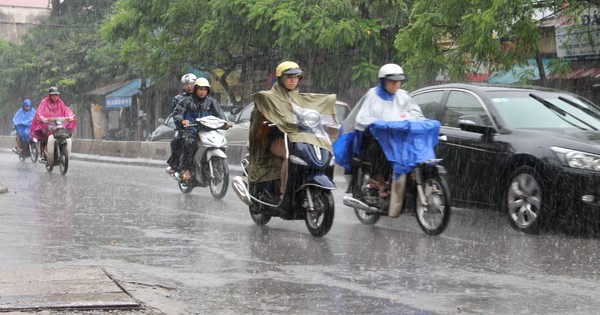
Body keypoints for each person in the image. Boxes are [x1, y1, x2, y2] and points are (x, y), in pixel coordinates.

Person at [249, 61, 337, 199]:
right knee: (288, 155)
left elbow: (315, 109)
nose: (293, 80)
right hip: (277, 139)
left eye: (296, 77)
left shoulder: (301, 99)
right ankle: (283, 191)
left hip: (299, 140)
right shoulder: (270, 98)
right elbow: (261, 112)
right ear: (281, 78)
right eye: (289, 77)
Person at [339, 63, 424, 198]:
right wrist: (377, 123)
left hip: (396, 137)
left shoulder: (403, 96)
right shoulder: (372, 95)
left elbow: (414, 112)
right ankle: (382, 184)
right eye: (392, 81)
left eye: (398, 81)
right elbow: (362, 118)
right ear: (383, 81)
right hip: (373, 137)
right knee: (380, 151)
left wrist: (418, 121)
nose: (396, 85)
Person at [173, 77, 231, 181]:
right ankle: (187, 169)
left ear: (208, 90)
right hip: (191, 130)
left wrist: (225, 123)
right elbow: (177, 113)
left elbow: (220, 115)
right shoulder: (185, 101)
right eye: (200, 89)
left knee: (220, 143)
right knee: (189, 143)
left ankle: (217, 166)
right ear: (196, 89)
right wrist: (182, 121)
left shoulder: (212, 102)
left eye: (205, 89)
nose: (202, 92)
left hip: (208, 131)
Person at [30, 87, 77, 161]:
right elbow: (39, 112)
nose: (55, 97)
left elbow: (65, 111)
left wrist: (70, 117)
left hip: (58, 124)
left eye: (56, 95)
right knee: (46, 136)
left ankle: (63, 151)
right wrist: (42, 118)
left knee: (64, 134)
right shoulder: (44, 102)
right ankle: (45, 153)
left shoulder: (60, 103)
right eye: (53, 95)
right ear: (50, 95)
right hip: (47, 124)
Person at [166, 73, 197, 177]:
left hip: (201, 128)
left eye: (191, 83)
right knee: (184, 142)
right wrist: (182, 121)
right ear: (183, 86)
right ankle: (181, 166)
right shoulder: (178, 99)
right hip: (185, 129)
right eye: (186, 84)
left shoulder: (204, 97)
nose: (189, 86)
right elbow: (176, 114)